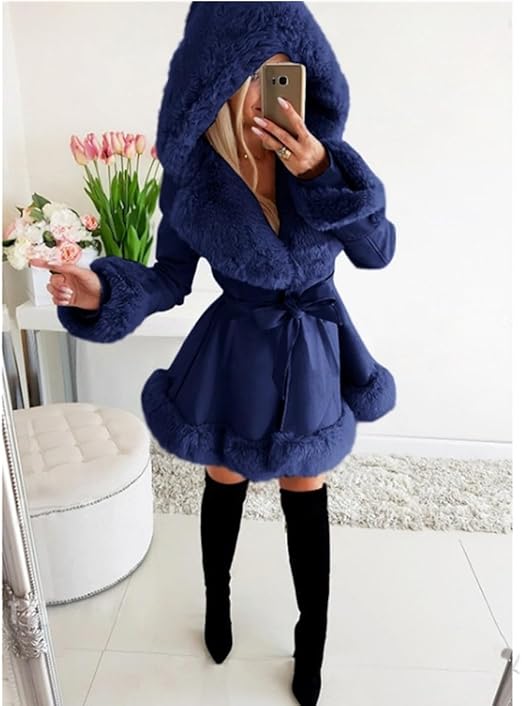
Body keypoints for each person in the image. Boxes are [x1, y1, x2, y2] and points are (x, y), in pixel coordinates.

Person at [31, 4, 397, 704]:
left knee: (305, 489)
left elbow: (377, 251)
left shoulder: (328, 156)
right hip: (236, 352)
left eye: (280, 74)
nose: (265, 93)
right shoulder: (195, 178)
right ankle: (217, 603)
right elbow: (169, 278)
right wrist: (100, 289)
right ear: (215, 81)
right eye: (248, 74)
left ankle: (311, 641)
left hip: (313, 346)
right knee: (224, 479)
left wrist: (320, 172)